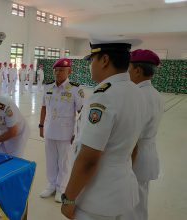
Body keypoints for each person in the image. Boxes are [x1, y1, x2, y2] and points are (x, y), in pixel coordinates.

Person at [60, 38, 146, 220]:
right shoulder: (136, 91)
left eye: (92, 60)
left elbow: (89, 159)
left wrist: (68, 199)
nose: (91, 66)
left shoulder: (103, 97)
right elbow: (135, 147)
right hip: (124, 190)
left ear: (105, 60)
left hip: (98, 197)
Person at [121, 49, 164, 220]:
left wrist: (125, 167)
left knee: (131, 207)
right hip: (148, 154)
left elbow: (133, 137)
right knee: (140, 203)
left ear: (137, 70)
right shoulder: (156, 94)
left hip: (135, 158)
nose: (127, 73)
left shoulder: (137, 95)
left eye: (129, 68)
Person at [39, 58, 84, 202]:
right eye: (56, 70)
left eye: (61, 71)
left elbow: (82, 112)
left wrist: (77, 133)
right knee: (50, 160)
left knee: (63, 162)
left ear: (69, 71)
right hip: (50, 130)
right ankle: (51, 185)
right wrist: (41, 126)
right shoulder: (48, 87)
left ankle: (61, 188)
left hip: (66, 133)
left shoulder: (75, 89)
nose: (58, 73)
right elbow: (44, 107)